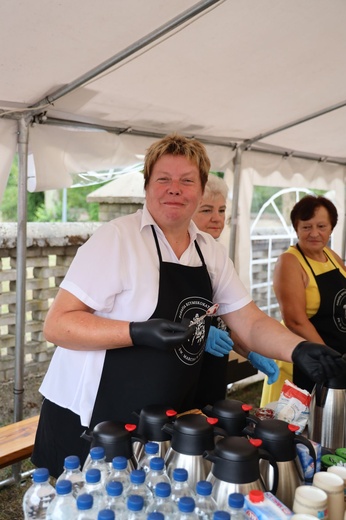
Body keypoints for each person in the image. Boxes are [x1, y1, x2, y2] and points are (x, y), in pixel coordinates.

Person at [31, 134, 346, 478]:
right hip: (90, 415)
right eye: (163, 179)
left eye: (186, 180)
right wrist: (135, 332)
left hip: (161, 416)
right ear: (147, 185)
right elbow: (58, 325)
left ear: (200, 188)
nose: (174, 189)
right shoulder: (116, 239)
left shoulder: (208, 251)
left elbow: (249, 322)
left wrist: (299, 349)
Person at [192, 174, 279, 406]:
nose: (216, 218)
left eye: (221, 210)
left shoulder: (220, 257)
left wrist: (250, 352)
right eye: (207, 210)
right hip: (183, 370)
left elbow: (231, 320)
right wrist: (196, 333)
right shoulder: (178, 257)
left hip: (213, 369)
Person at [261, 194, 346, 404]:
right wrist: (329, 356)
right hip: (304, 359)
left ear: (332, 228)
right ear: (296, 228)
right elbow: (295, 320)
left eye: (321, 226)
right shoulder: (290, 262)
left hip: (333, 355)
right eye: (306, 227)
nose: (314, 233)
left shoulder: (332, 256)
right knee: (298, 428)